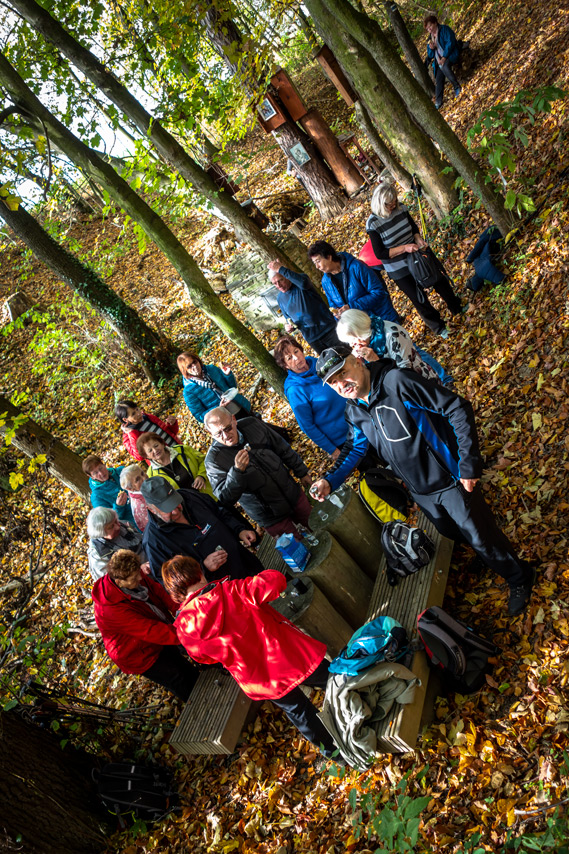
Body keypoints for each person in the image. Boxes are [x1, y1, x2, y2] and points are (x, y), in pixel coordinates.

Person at [311, 347, 535, 616]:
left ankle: (520, 576)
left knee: (482, 535)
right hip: (421, 491)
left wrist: (467, 463)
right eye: (333, 382)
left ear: (358, 361)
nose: (341, 384)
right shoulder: (354, 410)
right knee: (450, 531)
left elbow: (456, 407)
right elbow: (355, 448)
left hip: (451, 479)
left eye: (343, 372)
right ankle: (486, 554)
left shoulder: (397, 382)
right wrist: (329, 480)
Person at [162, 556, 341, 760]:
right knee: (335, 678)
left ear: (176, 594)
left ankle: (333, 752)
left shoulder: (185, 630)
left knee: (299, 712)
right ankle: (365, 703)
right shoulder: (231, 591)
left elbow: (203, 658)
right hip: (289, 655)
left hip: (261, 677)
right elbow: (276, 581)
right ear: (199, 573)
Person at [92, 549, 198, 701]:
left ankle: (204, 685)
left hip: (154, 630)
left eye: (139, 574)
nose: (140, 578)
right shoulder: (112, 610)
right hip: (137, 653)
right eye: (134, 579)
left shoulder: (135, 577)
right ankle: (199, 704)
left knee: (183, 664)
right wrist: (188, 633)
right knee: (176, 677)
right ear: (119, 582)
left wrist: (182, 610)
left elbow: (160, 593)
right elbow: (150, 630)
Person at [366, 183, 462, 337]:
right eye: (389, 204)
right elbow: (380, 253)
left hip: (417, 255)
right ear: (380, 203)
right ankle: (439, 327)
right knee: (418, 297)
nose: (393, 206)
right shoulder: (373, 223)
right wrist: (404, 248)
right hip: (398, 268)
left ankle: (456, 306)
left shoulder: (401, 209)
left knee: (438, 280)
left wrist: (418, 239)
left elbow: (414, 228)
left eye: (394, 202)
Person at [204, 407, 313, 541]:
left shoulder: (252, 424)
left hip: (292, 494)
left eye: (227, 428)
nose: (226, 436)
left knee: (320, 526)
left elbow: (281, 447)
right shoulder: (213, 461)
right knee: (299, 551)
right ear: (210, 433)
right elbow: (225, 498)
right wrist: (237, 472)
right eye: (218, 433)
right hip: (270, 516)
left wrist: (301, 472)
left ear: (234, 420)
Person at [140, 476, 262, 581]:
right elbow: (170, 581)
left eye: (176, 503)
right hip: (222, 590)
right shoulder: (153, 542)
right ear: (152, 509)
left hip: (245, 563)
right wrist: (201, 568)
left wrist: (240, 530)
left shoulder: (189, 496)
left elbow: (220, 512)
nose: (175, 511)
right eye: (167, 509)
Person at [274, 334, 348, 460]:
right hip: (343, 438)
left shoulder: (319, 364)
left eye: (296, 351)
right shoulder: (295, 390)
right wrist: (333, 451)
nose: (296, 358)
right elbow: (307, 426)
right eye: (289, 358)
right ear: (285, 365)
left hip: (360, 420)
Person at [336, 309, 453, 386]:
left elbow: (404, 374)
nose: (352, 345)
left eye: (353, 339)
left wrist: (376, 362)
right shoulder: (364, 342)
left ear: (362, 332)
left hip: (421, 383)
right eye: (349, 342)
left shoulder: (392, 335)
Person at [307, 240, 400, 324]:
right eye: (314, 263)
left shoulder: (356, 267)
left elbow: (379, 292)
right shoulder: (325, 282)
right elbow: (333, 306)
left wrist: (352, 306)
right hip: (361, 328)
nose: (317, 267)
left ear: (329, 257)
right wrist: (338, 315)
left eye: (318, 261)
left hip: (383, 319)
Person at [267, 259, 340, 354]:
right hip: (312, 339)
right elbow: (288, 319)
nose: (278, 285)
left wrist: (280, 269)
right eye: (275, 283)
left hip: (329, 329)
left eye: (280, 280)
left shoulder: (300, 282)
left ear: (286, 276)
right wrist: (289, 327)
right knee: (332, 365)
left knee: (348, 356)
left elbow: (304, 283)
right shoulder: (280, 298)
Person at [176, 351, 252, 424]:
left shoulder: (211, 369)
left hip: (240, 407)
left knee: (260, 429)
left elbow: (232, 388)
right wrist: (219, 407)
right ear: (185, 371)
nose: (194, 366)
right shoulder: (189, 391)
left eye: (194, 362)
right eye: (189, 366)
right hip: (225, 421)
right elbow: (200, 416)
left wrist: (227, 375)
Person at [136, 432, 214, 499]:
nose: (155, 450)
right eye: (150, 450)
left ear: (162, 443)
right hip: (191, 509)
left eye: (156, 445)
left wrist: (201, 476)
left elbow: (205, 460)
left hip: (210, 494)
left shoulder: (182, 450)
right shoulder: (152, 475)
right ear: (146, 456)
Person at [86, 507, 147, 580]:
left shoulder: (123, 526)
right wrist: (139, 570)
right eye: (111, 527)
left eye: (116, 521)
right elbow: (111, 582)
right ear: (100, 533)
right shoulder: (98, 554)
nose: (118, 527)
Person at [114, 399, 181, 463]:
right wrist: (132, 433)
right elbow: (139, 456)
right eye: (133, 414)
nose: (138, 414)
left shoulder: (148, 418)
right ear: (125, 419)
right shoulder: (127, 436)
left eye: (137, 409)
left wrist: (172, 424)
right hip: (166, 461)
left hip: (179, 449)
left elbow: (170, 433)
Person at [82, 454, 135, 526]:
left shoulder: (121, 471)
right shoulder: (97, 497)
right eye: (95, 473)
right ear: (91, 476)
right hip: (133, 523)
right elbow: (109, 521)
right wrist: (119, 506)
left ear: (104, 464)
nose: (101, 473)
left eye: (100, 468)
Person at [424, 14, 462, 110]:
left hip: (450, 54)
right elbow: (431, 55)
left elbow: (451, 42)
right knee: (438, 78)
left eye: (430, 26)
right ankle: (438, 102)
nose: (430, 29)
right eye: (428, 28)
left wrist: (444, 57)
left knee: (445, 66)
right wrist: (431, 48)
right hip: (439, 61)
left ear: (435, 23)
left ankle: (456, 86)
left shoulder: (444, 29)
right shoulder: (430, 39)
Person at [119, 464, 150, 532]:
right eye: (137, 480)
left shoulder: (146, 489)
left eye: (142, 473)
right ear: (130, 488)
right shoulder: (140, 508)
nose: (144, 478)